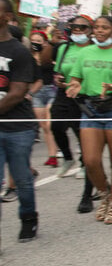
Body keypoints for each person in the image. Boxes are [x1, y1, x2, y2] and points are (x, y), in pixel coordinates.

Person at [65, 15, 112, 225]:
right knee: (90, 160)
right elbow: (76, 78)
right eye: (96, 27)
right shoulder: (85, 52)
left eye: (104, 28)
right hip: (91, 110)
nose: (99, 31)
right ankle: (104, 193)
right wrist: (74, 86)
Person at [0, 0, 40, 241]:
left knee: (22, 179)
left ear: (7, 17)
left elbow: (16, 93)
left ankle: (28, 217)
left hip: (17, 128)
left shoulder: (19, 52)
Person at [51, 15, 94, 183]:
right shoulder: (64, 48)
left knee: (80, 130)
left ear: (89, 30)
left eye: (82, 27)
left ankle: (85, 163)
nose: (78, 30)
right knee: (55, 126)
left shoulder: (93, 48)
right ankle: (68, 158)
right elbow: (59, 70)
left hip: (83, 94)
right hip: (64, 93)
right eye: (74, 27)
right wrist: (59, 80)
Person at [28, 31, 58, 168]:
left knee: (49, 123)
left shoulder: (50, 54)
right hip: (37, 93)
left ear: (45, 42)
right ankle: (52, 155)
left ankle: (56, 153)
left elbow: (56, 69)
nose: (36, 44)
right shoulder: (27, 57)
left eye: (39, 41)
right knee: (44, 127)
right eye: (33, 41)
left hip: (51, 90)